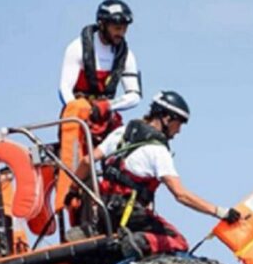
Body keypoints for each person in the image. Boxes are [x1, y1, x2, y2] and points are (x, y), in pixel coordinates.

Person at [92, 90, 240, 255]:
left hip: (104, 210)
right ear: (167, 118)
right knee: (178, 242)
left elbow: (87, 161)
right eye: (179, 123)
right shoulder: (158, 150)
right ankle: (138, 242)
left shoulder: (122, 133)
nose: (179, 131)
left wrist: (73, 191)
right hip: (129, 214)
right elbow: (181, 195)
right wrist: (219, 212)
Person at [59, 0, 141, 141]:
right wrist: (83, 112)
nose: (121, 33)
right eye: (117, 28)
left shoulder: (127, 56)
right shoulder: (77, 48)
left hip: (106, 116)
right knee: (75, 120)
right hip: (78, 117)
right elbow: (64, 89)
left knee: (129, 142)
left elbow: (135, 96)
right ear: (102, 24)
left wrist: (108, 105)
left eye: (124, 29)